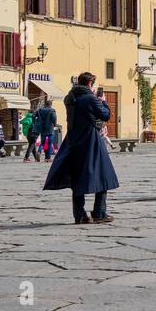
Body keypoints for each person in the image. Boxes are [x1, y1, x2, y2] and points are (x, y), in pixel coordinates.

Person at [43, 72, 119, 224]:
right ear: (90, 83)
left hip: (73, 141)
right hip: (91, 140)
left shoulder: (69, 97)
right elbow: (105, 115)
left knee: (76, 180)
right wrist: (103, 101)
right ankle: (99, 213)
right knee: (104, 176)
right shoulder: (90, 98)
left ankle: (80, 215)